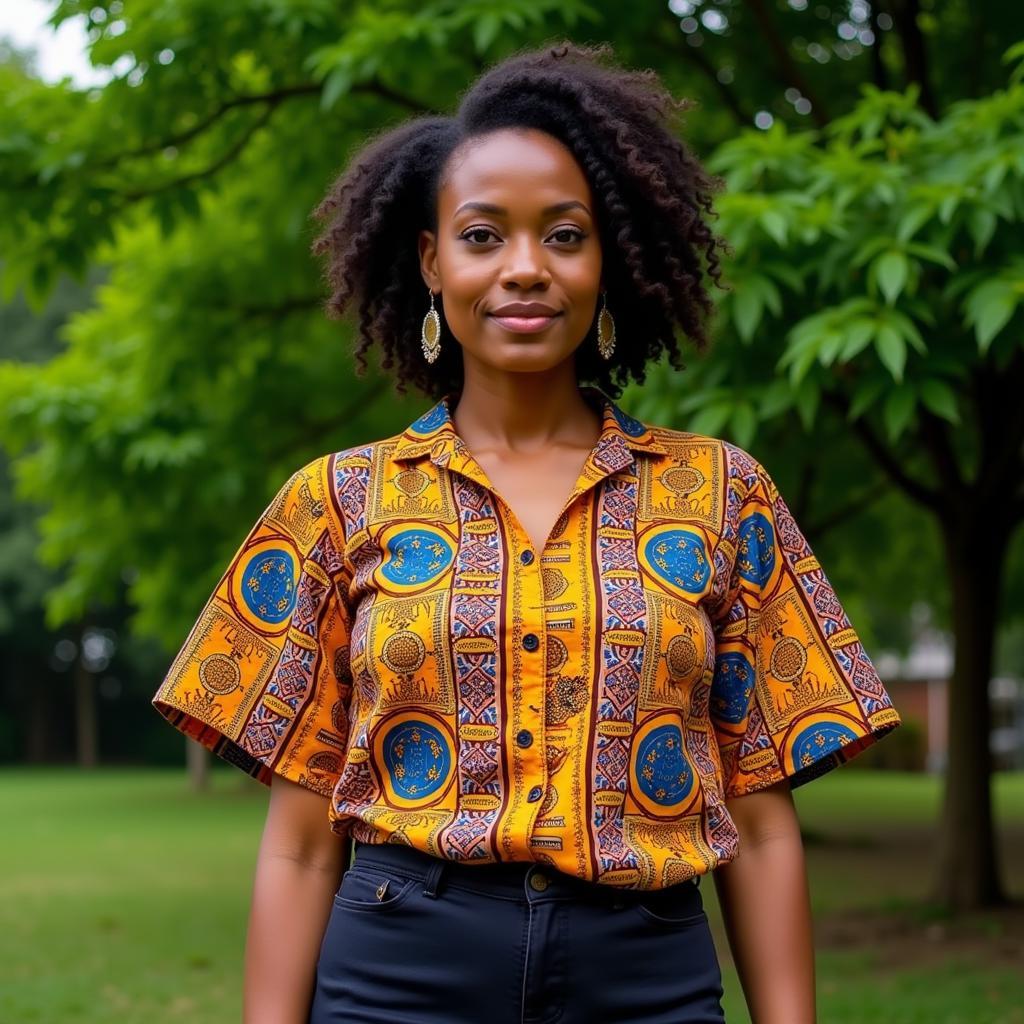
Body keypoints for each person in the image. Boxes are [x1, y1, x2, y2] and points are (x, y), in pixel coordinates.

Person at [152, 41, 902, 1024]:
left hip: (645, 977)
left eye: (562, 234)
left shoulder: (722, 494)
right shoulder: (335, 502)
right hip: (396, 975)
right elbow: (299, 837)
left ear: (608, 259)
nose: (523, 269)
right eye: (481, 236)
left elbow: (759, 821)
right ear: (430, 261)